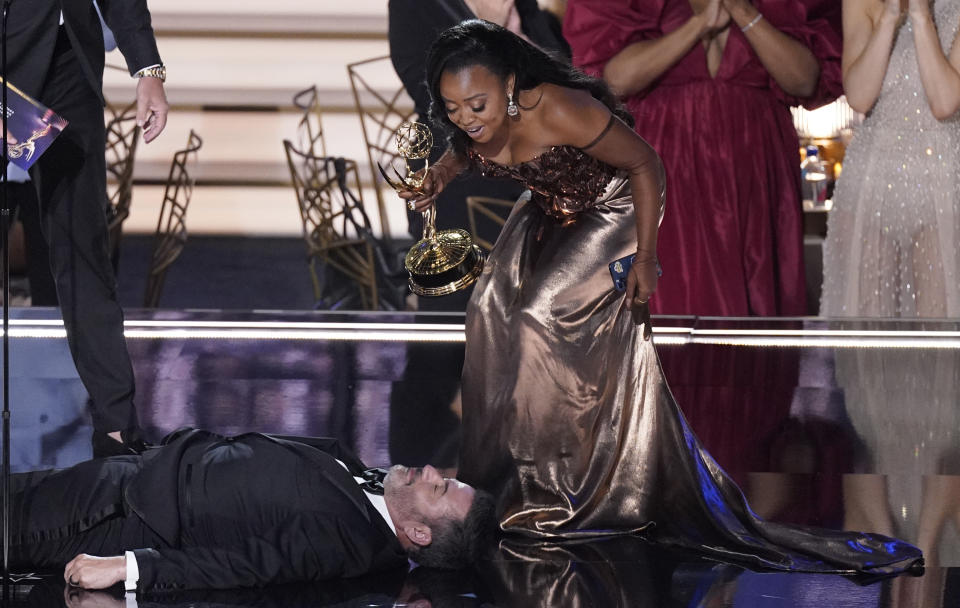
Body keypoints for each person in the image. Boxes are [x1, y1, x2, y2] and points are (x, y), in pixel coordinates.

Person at [400, 19, 922, 575]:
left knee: (537, 318)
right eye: (453, 108)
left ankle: (563, 486)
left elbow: (647, 164)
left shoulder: (559, 109)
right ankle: (502, 474)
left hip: (613, 206)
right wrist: (439, 174)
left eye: (476, 104)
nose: (466, 119)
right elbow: (462, 148)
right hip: (551, 204)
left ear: (509, 86)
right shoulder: (471, 123)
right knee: (487, 307)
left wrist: (645, 258)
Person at [563, 0, 843, 316]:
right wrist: (699, 24)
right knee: (671, 299)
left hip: (758, 164)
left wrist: (743, 12)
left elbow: (805, 81)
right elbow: (613, 80)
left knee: (759, 308)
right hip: (665, 165)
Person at [9, 428, 496, 592]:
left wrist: (128, 566)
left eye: (441, 487)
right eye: (445, 477)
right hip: (127, 474)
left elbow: (245, 567)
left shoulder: (350, 543)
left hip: (119, 513)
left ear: (419, 533)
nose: (432, 469)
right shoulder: (359, 470)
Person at [2, 0, 170, 456]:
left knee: (83, 250)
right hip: (6, 59)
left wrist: (147, 67)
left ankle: (117, 425)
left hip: (66, 62)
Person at [820, 0, 960, 317]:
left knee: (938, 330)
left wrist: (922, 15)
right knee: (869, 326)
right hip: (871, 180)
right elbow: (858, 96)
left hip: (942, 179)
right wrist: (889, 17)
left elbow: (944, 101)